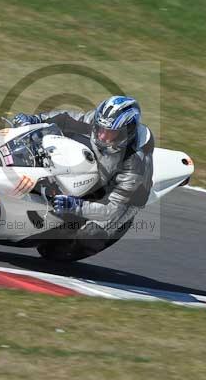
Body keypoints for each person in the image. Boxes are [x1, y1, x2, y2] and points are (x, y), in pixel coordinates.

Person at [12, 95, 154, 260]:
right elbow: (64, 119)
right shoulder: (97, 121)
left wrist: (75, 206)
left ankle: (70, 250)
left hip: (121, 199)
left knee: (90, 234)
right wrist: (33, 119)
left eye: (110, 133)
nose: (102, 137)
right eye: (100, 129)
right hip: (99, 167)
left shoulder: (135, 162)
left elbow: (111, 208)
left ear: (126, 132)